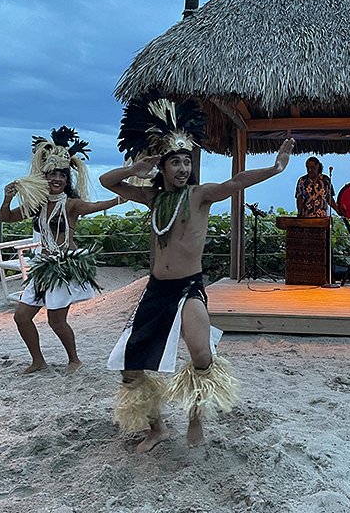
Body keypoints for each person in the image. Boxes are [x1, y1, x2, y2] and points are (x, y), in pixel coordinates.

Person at [100, 96, 295, 451]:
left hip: (189, 288)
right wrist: (134, 170)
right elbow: (106, 181)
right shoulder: (153, 199)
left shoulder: (200, 195)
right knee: (131, 366)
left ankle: (195, 419)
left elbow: (236, 182)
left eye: (186, 161)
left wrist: (274, 169)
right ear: (162, 166)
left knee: (201, 355)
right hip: (157, 290)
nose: (182, 168)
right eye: (175, 161)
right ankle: (156, 428)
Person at [0, 126, 119, 374]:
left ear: (67, 180)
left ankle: (74, 359)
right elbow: (6, 218)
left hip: (63, 267)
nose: (56, 179)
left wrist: (122, 198)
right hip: (42, 268)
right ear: (44, 177)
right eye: (52, 174)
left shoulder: (72, 204)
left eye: (61, 176)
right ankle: (38, 361)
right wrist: (7, 198)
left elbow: (97, 205)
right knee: (21, 317)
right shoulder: (37, 204)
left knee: (56, 320)